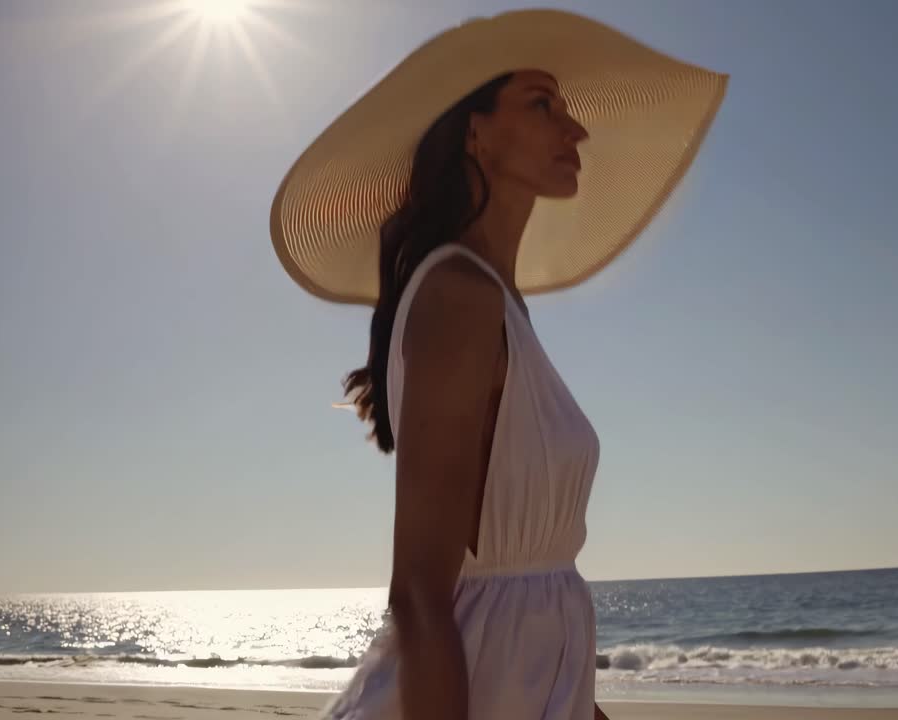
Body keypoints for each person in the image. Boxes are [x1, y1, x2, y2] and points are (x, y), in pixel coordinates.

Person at [268, 9, 727, 720]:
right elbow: (420, 596)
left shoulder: (495, 302)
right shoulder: (457, 295)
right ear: (474, 133)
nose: (574, 130)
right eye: (543, 105)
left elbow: (526, 623)